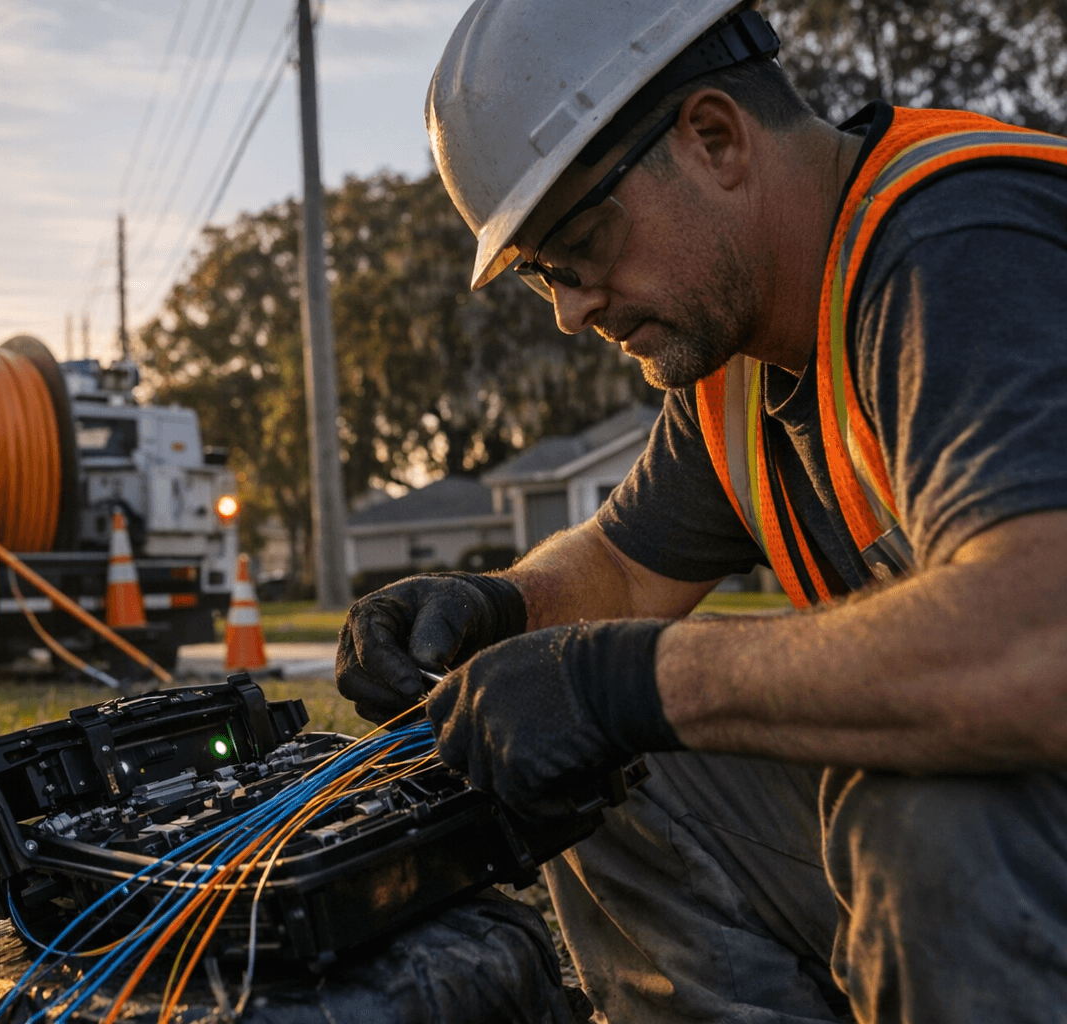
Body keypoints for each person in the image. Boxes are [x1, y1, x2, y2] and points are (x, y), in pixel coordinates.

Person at [336, 3, 1067, 1022]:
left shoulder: (958, 246)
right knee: (603, 764)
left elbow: (1040, 645)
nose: (571, 308)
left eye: (580, 245)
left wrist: (625, 677)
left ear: (715, 139)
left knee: (927, 810)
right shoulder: (743, 367)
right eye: (546, 276)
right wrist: (495, 606)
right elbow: (624, 570)